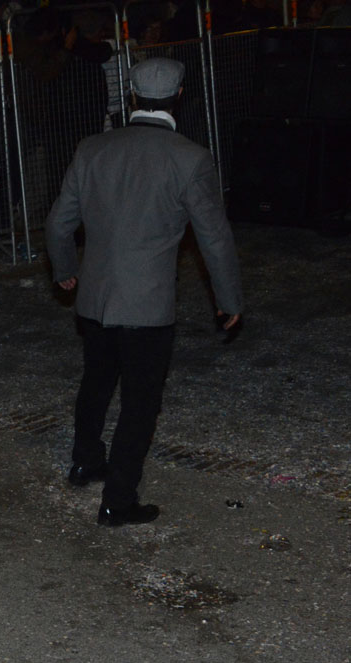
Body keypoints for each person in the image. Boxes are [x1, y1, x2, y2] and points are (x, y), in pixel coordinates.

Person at [45, 58, 243, 526]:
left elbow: (57, 223)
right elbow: (214, 238)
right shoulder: (190, 158)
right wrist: (228, 299)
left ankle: (85, 460)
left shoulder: (92, 148)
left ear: (131, 97)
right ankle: (118, 499)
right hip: (148, 306)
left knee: (96, 380)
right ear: (179, 98)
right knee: (140, 401)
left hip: (94, 299)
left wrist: (66, 270)